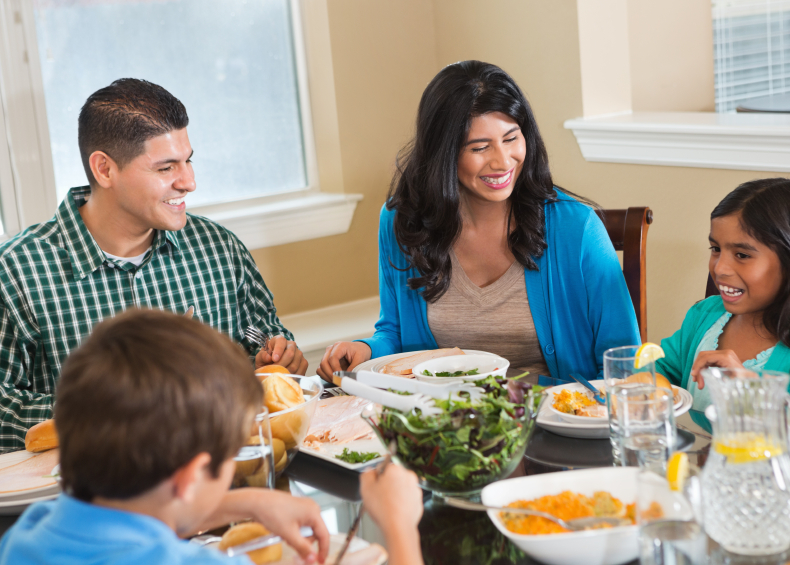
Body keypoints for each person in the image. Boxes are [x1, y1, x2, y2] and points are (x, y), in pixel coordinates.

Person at [0, 78, 306, 452]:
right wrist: (117, 412)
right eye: (166, 168)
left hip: (223, 478)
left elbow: (268, 349)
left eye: (188, 160)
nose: (189, 182)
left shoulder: (219, 249)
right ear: (104, 170)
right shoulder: (16, 273)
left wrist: (278, 358)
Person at [0, 309, 426, 565]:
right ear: (191, 476)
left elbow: (134, 517)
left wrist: (239, 501)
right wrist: (400, 528)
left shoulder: (26, 538)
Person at [318, 61, 639, 384]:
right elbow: (395, 332)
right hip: (440, 424)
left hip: (552, 421)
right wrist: (366, 350)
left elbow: (626, 367)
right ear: (443, 154)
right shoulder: (403, 223)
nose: (502, 161)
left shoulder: (578, 229)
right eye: (480, 147)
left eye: (511, 138)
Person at [655, 178, 790, 450]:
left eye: (742, 255)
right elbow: (656, 368)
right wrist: (650, 383)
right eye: (716, 249)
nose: (720, 267)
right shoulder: (703, 316)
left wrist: (759, 397)